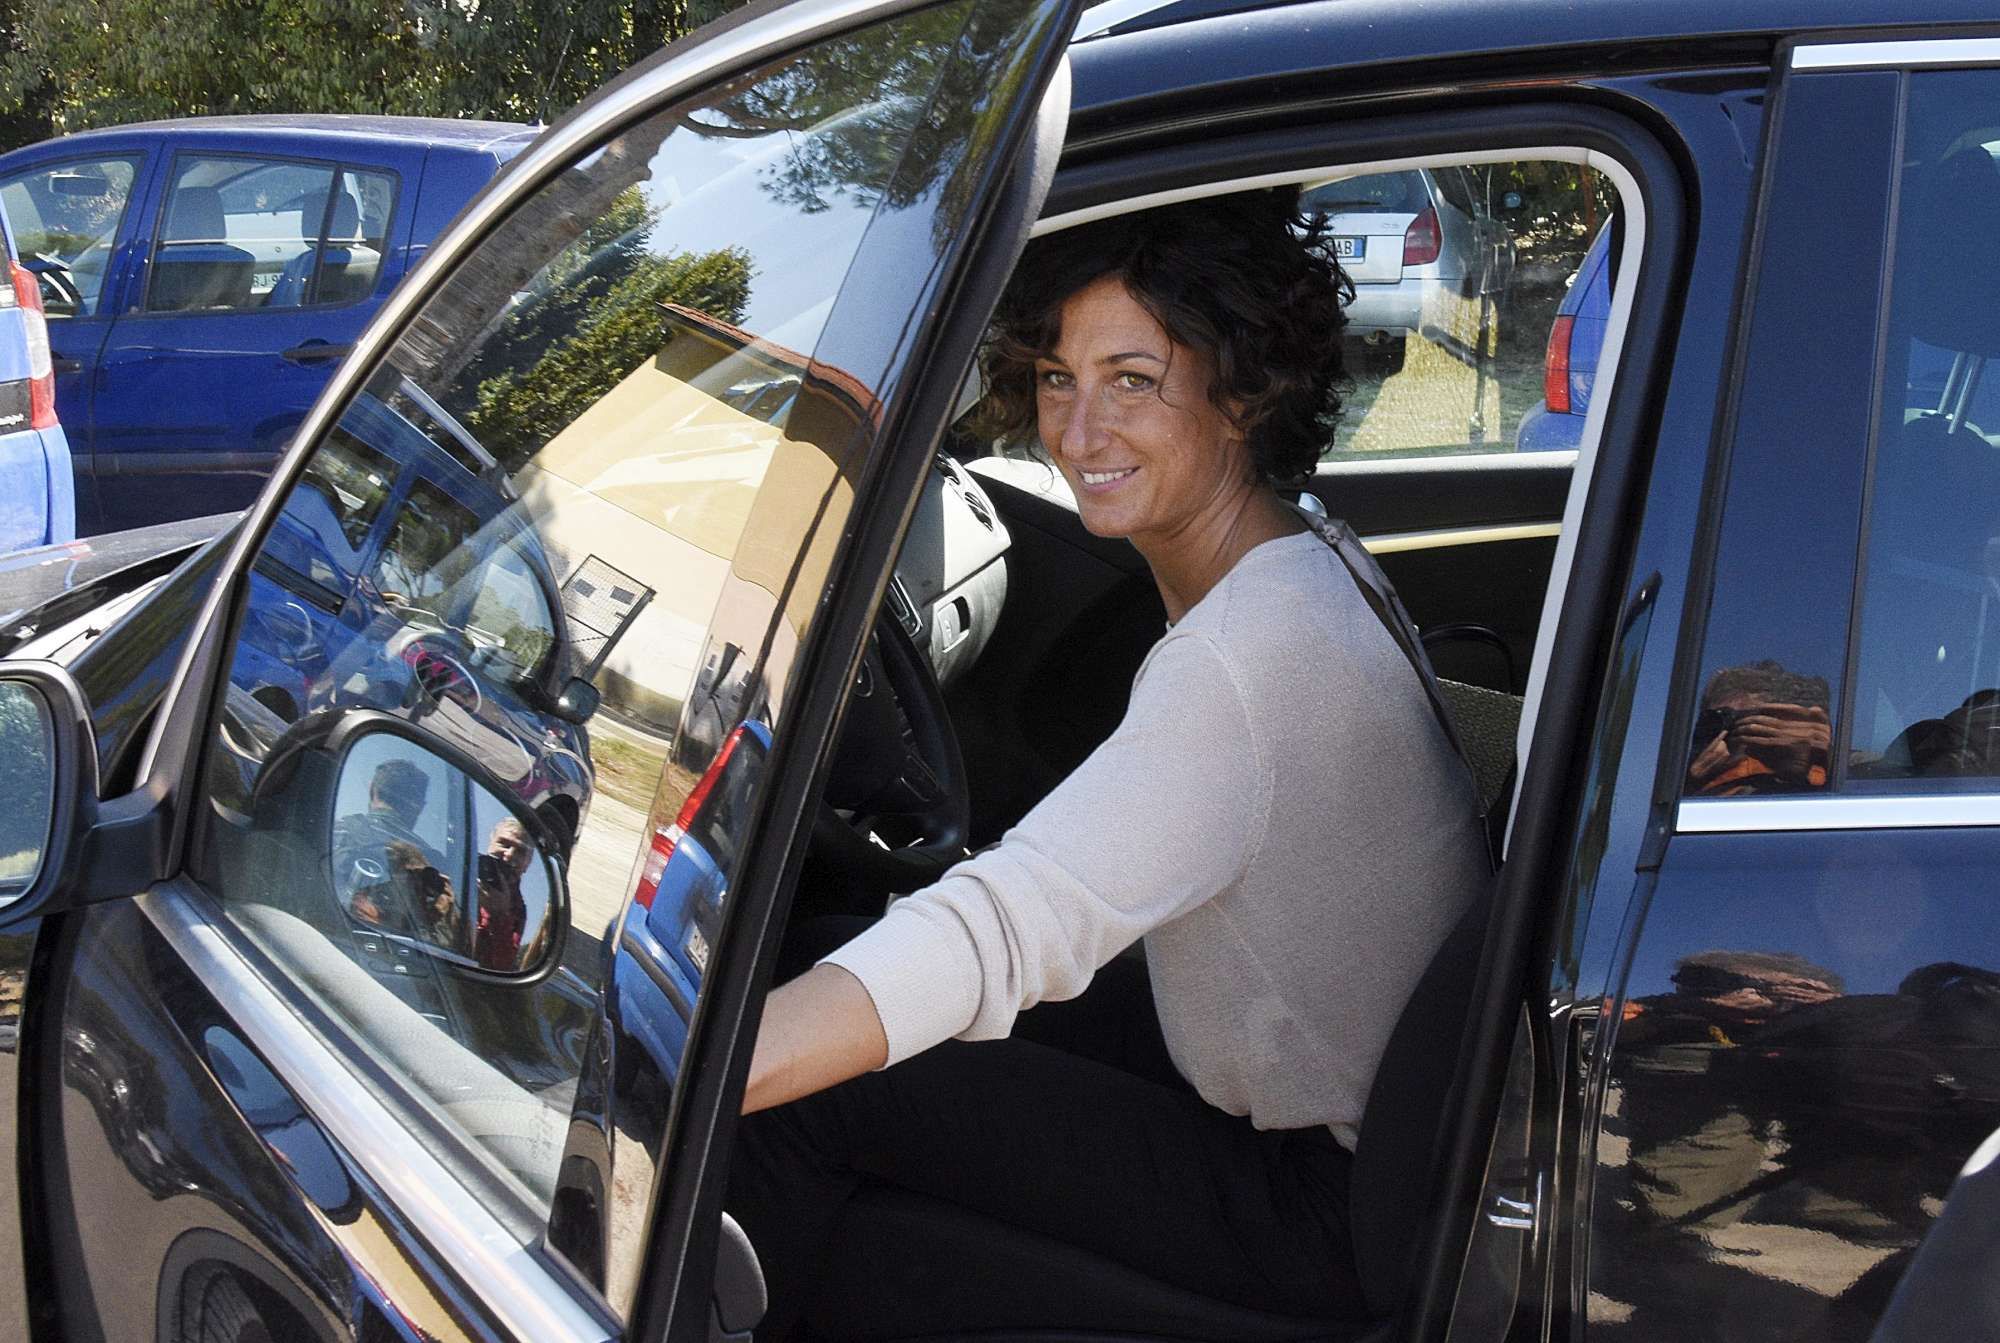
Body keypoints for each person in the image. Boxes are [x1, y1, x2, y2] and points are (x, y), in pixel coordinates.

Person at [727, 189, 1490, 1335]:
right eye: (1056, 378)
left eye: (1131, 380)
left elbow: (1006, 924)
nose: (1077, 434)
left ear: (1241, 390)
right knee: (828, 950)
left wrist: (686, 1081)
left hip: (1321, 1200)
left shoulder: (1244, 661)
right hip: (1344, 1105)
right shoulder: (1312, 552)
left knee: (800, 1095)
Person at [472, 816, 533, 970]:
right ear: (490, 843)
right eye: (504, 844)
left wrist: (499, 915)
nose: (509, 854)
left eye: (520, 851)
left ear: (527, 864)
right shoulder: (463, 867)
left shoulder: (518, 910)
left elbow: (503, 965)